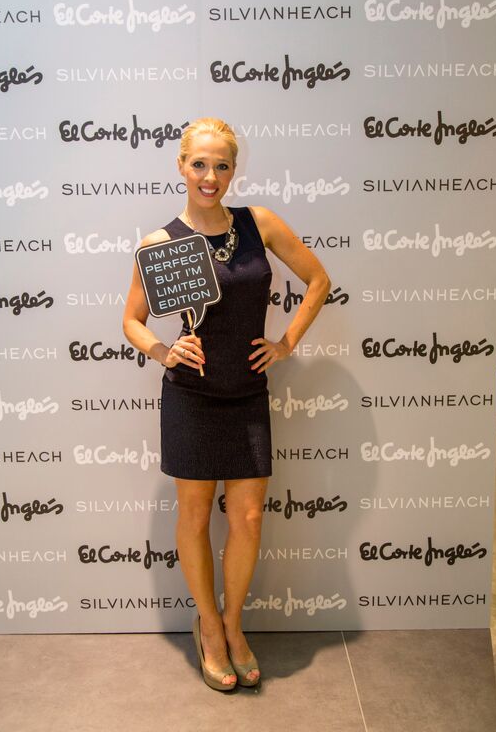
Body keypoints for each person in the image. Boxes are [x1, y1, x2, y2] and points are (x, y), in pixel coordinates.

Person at [123, 117, 331, 691]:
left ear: (234, 170)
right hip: (191, 394)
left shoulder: (259, 224)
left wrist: (286, 343)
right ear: (181, 166)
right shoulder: (161, 244)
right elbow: (131, 321)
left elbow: (318, 280)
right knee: (194, 518)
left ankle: (234, 624)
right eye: (199, 164)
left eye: (221, 165)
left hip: (247, 391)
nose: (209, 176)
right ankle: (209, 628)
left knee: (248, 518)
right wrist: (164, 351)